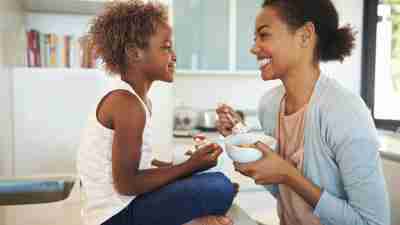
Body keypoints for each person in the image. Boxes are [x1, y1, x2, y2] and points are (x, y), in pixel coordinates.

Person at [216, 0, 390, 225]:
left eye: (264, 35)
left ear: (305, 36)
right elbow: (284, 191)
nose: (254, 47)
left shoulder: (345, 112)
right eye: (255, 38)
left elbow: (374, 222)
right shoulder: (269, 106)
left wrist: (289, 175)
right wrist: (244, 144)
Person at [76, 1, 235, 225]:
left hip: (121, 208)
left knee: (211, 181)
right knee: (220, 186)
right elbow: (128, 184)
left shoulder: (136, 101)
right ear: (134, 53)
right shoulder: (126, 104)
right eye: (166, 47)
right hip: (114, 217)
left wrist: (187, 166)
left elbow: (142, 166)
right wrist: (188, 167)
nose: (174, 56)